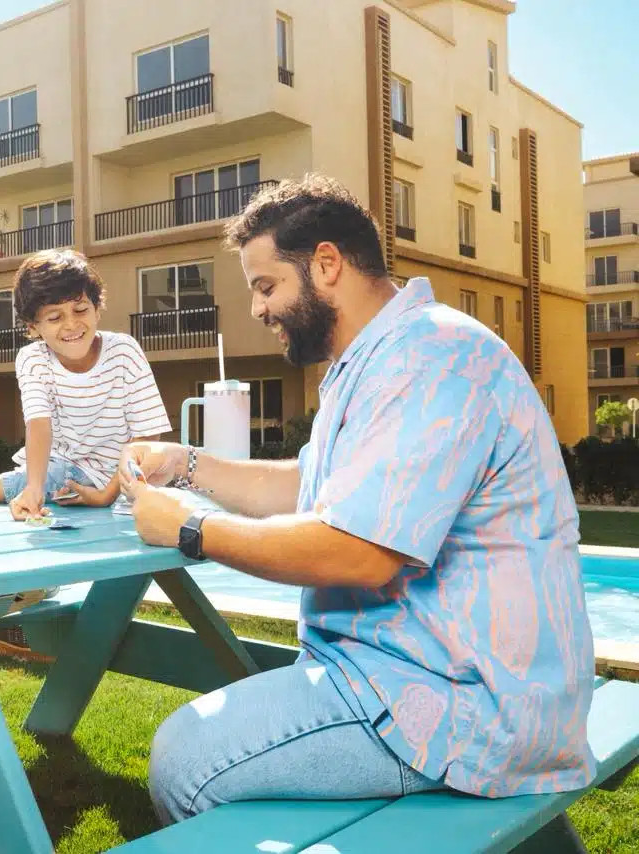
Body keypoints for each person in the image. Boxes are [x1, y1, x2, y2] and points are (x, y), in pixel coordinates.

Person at [120, 174, 596, 825]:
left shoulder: (432, 359)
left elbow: (362, 552)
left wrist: (190, 528)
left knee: (185, 761)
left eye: (266, 286)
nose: (258, 310)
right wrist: (187, 463)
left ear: (326, 264)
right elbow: (306, 487)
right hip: (414, 675)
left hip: (465, 706)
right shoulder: (376, 359)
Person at [0, 248, 171, 520]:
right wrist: (34, 488)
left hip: (107, 476)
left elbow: (146, 435)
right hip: (58, 467)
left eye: (81, 309)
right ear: (32, 327)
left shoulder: (124, 351)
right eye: (55, 317)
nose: (72, 324)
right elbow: (39, 424)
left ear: (97, 309)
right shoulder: (32, 358)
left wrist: (105, 496)